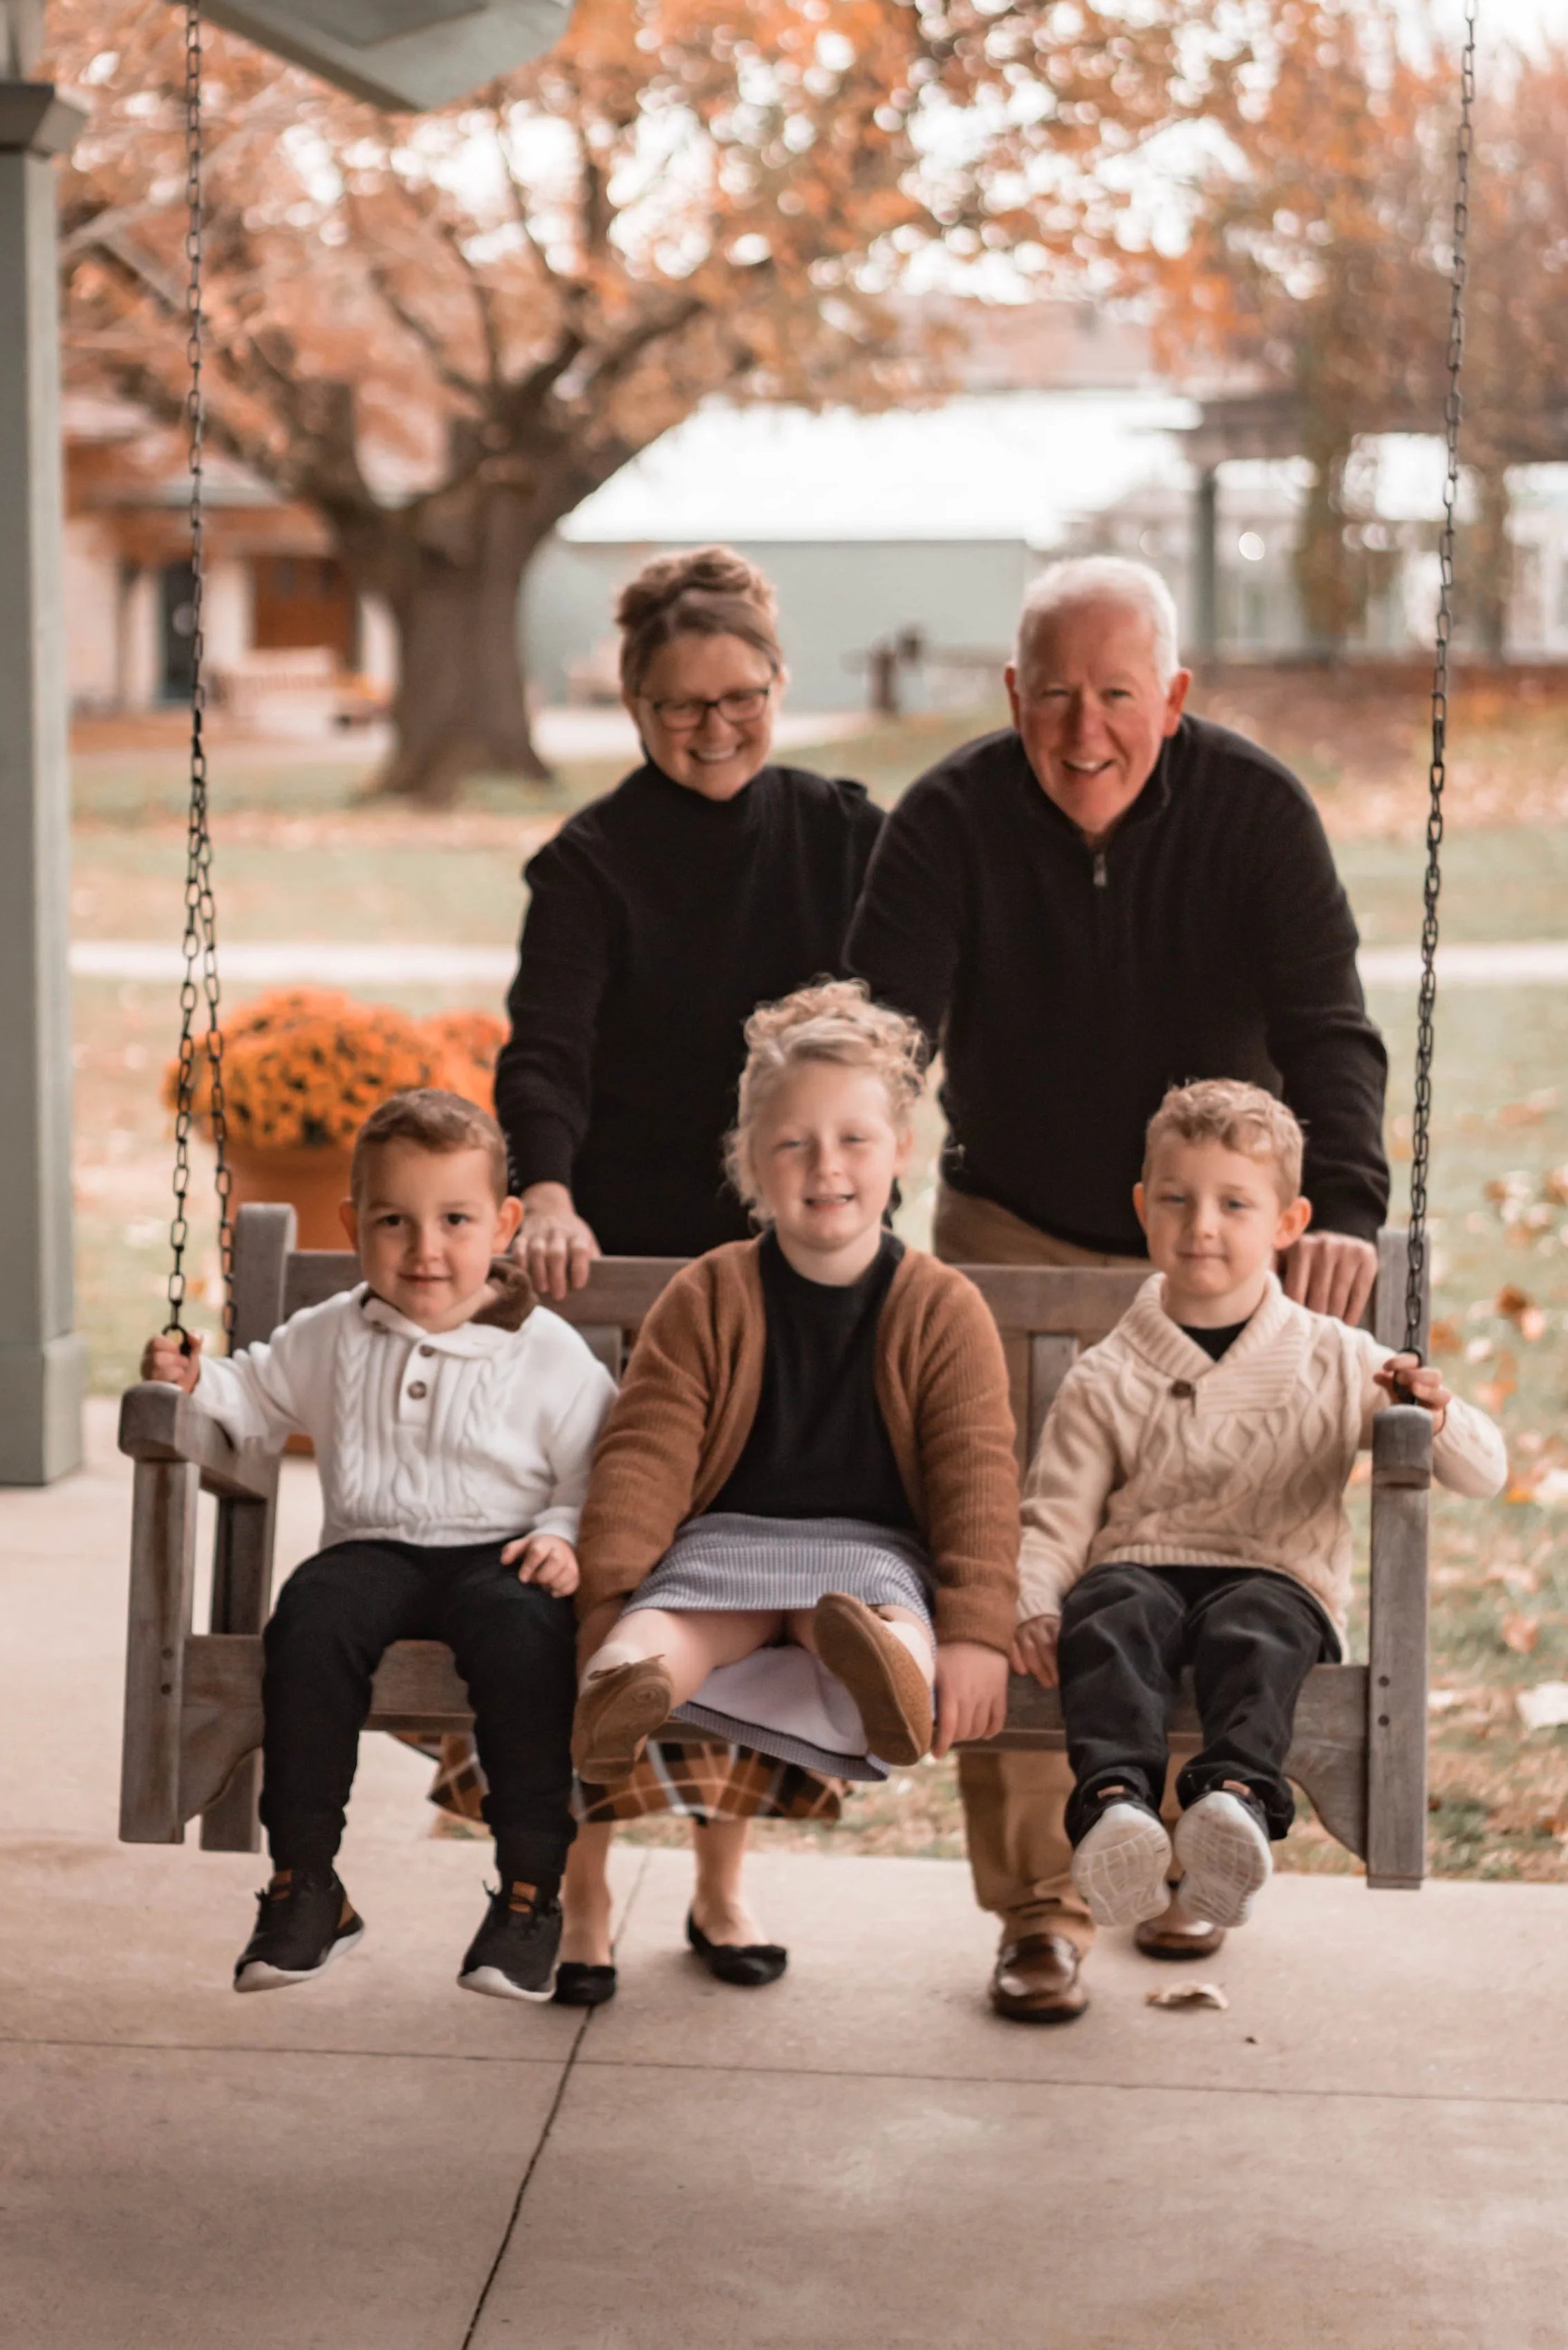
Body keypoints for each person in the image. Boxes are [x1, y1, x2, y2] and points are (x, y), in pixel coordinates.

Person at [846, 554, 1393, 2021]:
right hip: (1009, 1227)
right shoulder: (948, 819)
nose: (1084, 729)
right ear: (1010, 692)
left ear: (1173, 696)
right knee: (1017, 1567)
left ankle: (1170, 1871)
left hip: (1213, 1254)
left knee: (1189, 1559)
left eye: (1116, 696)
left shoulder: (1254, 812)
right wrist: (852, 1190)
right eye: (1055, 696)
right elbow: (880, 1035)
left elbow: (1327, 1026)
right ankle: (1040, 1904)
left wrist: (1336, 1207)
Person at [483, 546, 885, 2003]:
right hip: (629, 1261)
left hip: (794, 1260)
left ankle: (721, 1882)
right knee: (623, 1569)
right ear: (632, 700)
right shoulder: (588, 863)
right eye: (676, 707)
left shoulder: (846, 835)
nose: (711, 727)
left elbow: (904, 1035)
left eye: (739, 699)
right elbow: (547, 1049)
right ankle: (581, 1895)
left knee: (757, 1565)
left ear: (777, 686)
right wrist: (544, 1186)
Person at [140, 1089, 615, 2006]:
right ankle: (306, 1885)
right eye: (394, 1220)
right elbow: (252, 1397)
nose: (425, 1248)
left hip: (502, 1555)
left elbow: (601, 1469)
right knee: (310, 1621)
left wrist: (563, 1536)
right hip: (372, 1551)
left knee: (526, 1642)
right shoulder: (333, 1333)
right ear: (356, 1223)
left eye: (455, 1219)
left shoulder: (547, 1352)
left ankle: (528, 1893)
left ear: (506, 1224)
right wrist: (195, 1380)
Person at [1013, 1080, 1504, 1934]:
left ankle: (1233, 1802)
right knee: (1111, 1609)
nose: (1201, 1224)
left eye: (1233, 1203)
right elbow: (1057, 1516)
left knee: (1255, 1625)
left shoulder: (1338, 1358)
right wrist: (1031, 1603)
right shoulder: (1106, 1374)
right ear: (1142, 1208)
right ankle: (1117, 1809)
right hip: (1143, 1567)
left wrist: (1434, 1414)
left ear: (1285, 1222)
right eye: (1176, 1199)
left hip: (1275, 1575)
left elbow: (1484, 1473)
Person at [572, 985, 1019, 1881]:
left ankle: (891, 1673)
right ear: (750, 1163)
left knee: (873, 1614)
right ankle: (630, 1675)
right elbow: (645, 1455)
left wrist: (975, 1633)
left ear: (903, 1149)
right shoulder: (708, 1293)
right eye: (792, 1142)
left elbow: (977, 1477)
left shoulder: (942, 1306)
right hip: (726, 1548)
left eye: (854, 1138)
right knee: (682, 1614)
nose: (826, 1165)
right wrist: (607, 1603)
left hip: (867, 1556)